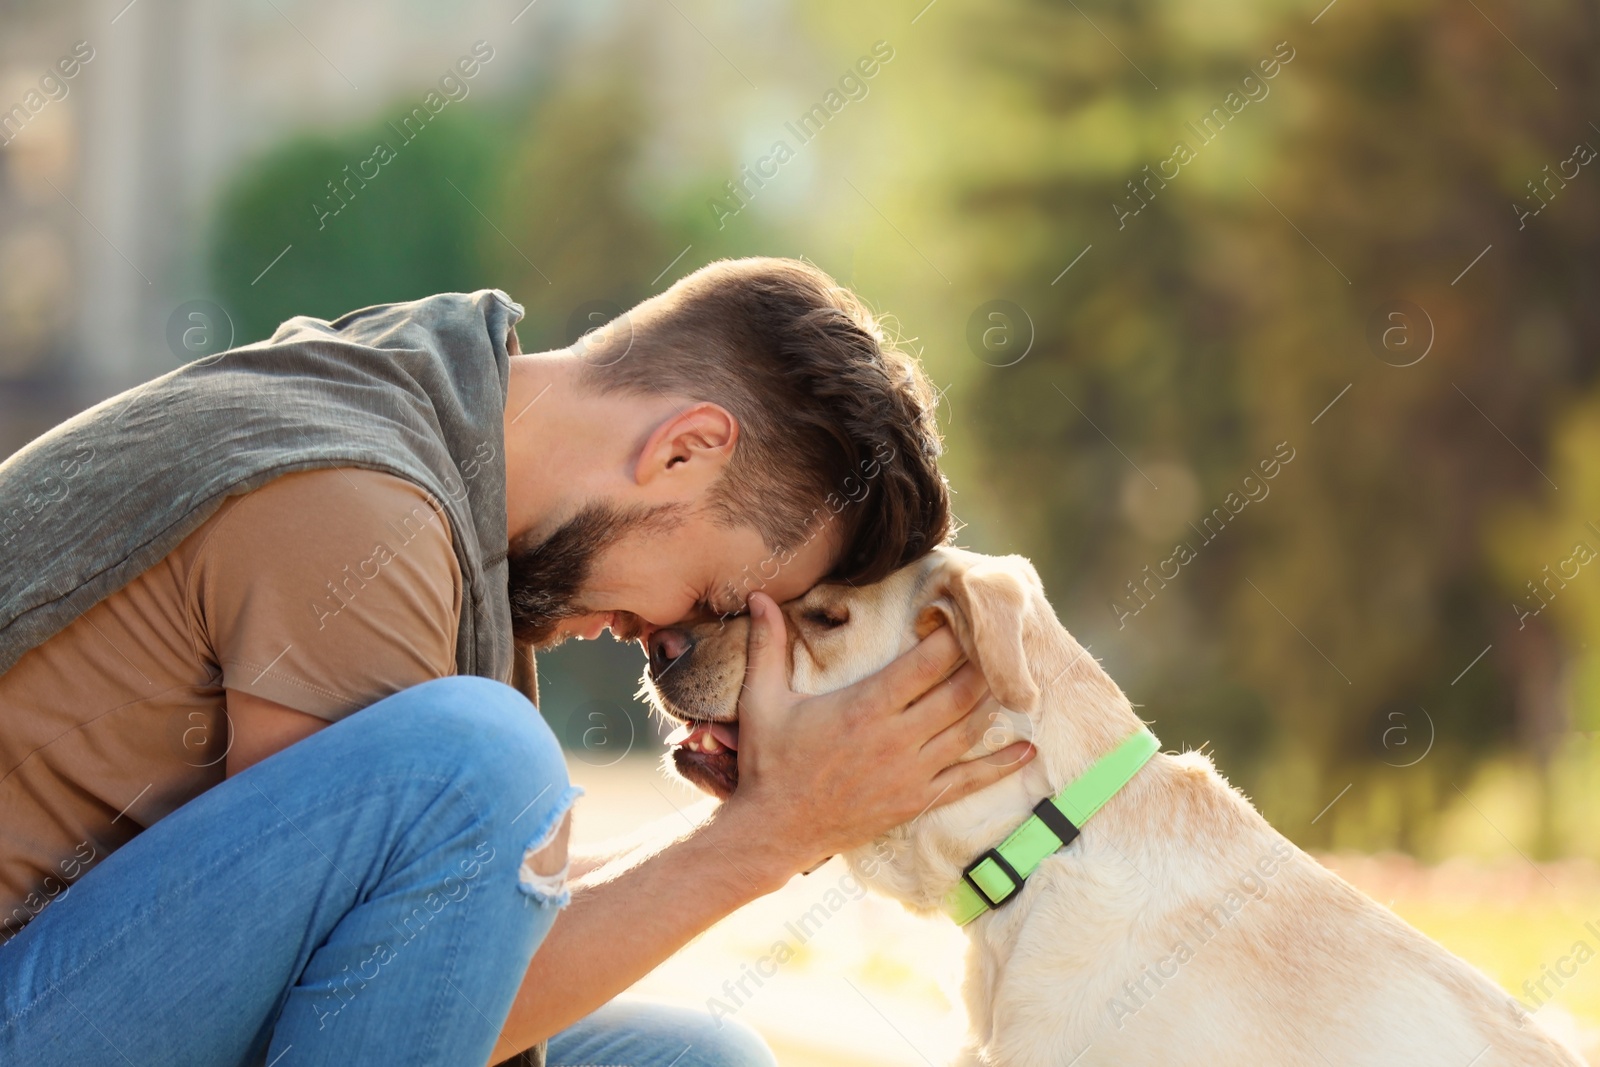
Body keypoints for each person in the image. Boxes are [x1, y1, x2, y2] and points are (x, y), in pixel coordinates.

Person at [0, 257, 1035, 1066]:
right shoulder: (357, 509)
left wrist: (759, 815)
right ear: (684, 448)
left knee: (692, 1056)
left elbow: (420, 940)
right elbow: (350, 1007)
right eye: (717, 600)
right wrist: (773, 834)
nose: (666, 636)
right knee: (481, 757)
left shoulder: (428, 417)